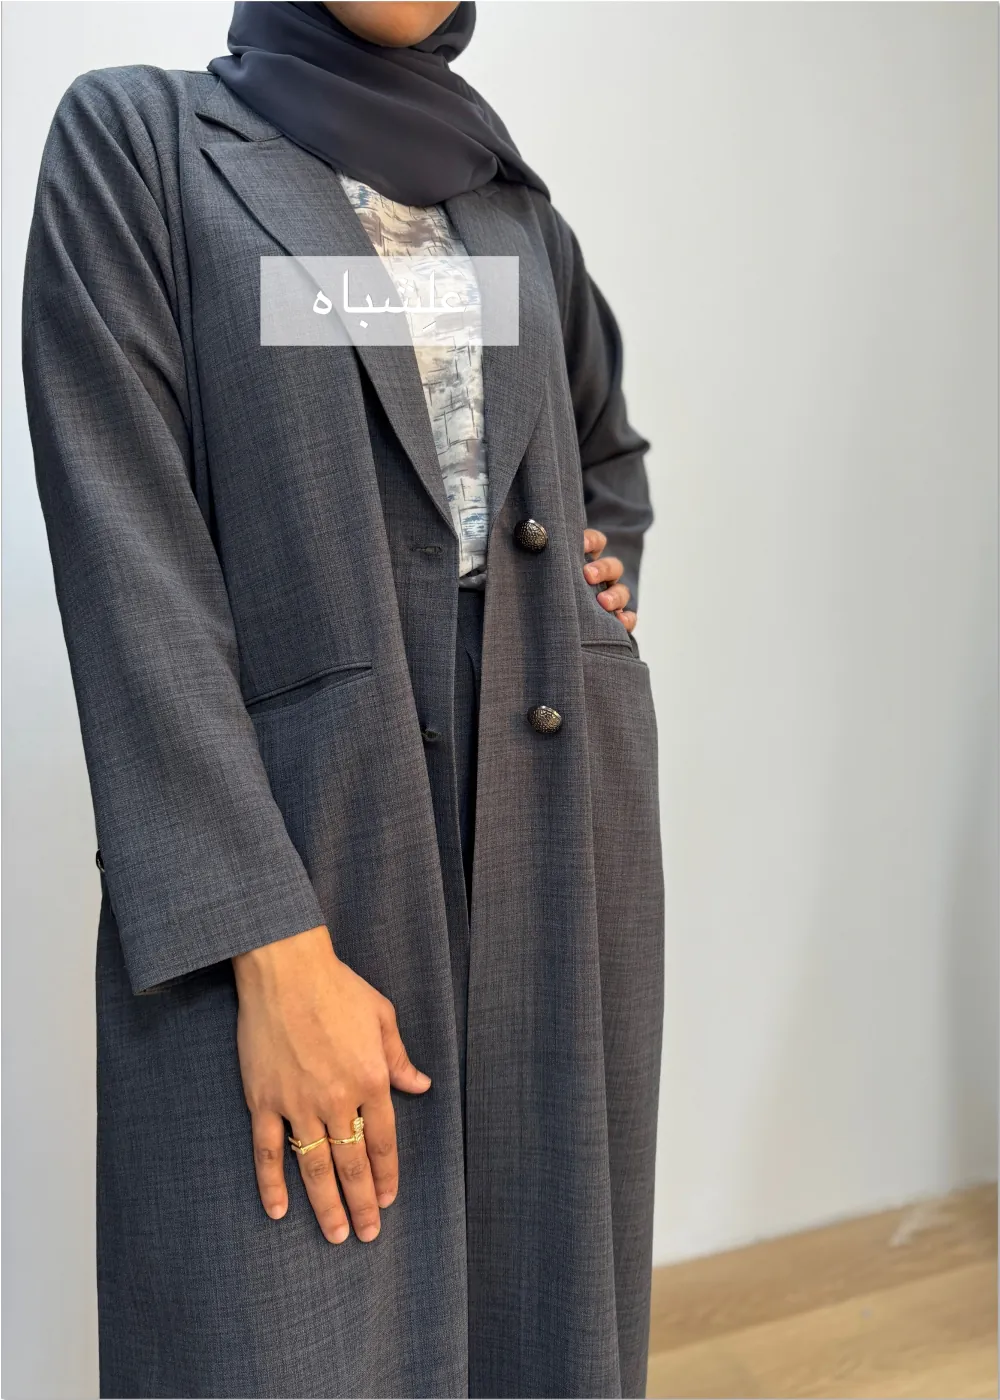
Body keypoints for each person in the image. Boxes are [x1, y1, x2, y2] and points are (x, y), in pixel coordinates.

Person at [22, 3, 664, 1396]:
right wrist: (271, 944)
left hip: (554, 826)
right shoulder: (144, 143)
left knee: (543, 1313)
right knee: (285, 1331)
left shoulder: (502, 200)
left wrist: (600, 584)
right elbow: (129, 556)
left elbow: (604, 452)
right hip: (299, 835)